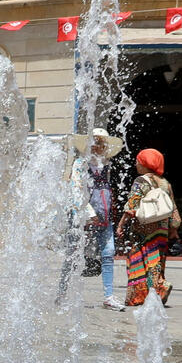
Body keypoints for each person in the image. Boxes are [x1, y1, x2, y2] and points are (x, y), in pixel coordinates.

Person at [63, 129, 123, 311]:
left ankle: (109, 296)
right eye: (95, 142)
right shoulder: (81, 164)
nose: (99, 146)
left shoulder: (106, 164)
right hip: (83, 217)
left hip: (104, 216)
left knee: (108, 253)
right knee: (72, 255)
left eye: (102, 142)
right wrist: (89, 212)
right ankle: (63, 294)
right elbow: (76, 190)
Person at [115, 148, 181, 306]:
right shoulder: (165, 183)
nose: (136, 163)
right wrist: (173, 229)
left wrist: (121, 224)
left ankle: (146, 292)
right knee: (156, 259)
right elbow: (173, 208)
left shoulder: (141, 181)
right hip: (162, 228)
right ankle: (155, 292)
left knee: (139, 259)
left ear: (145, 163)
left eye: (138, 161)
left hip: (142, 227)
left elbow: (132, 205)